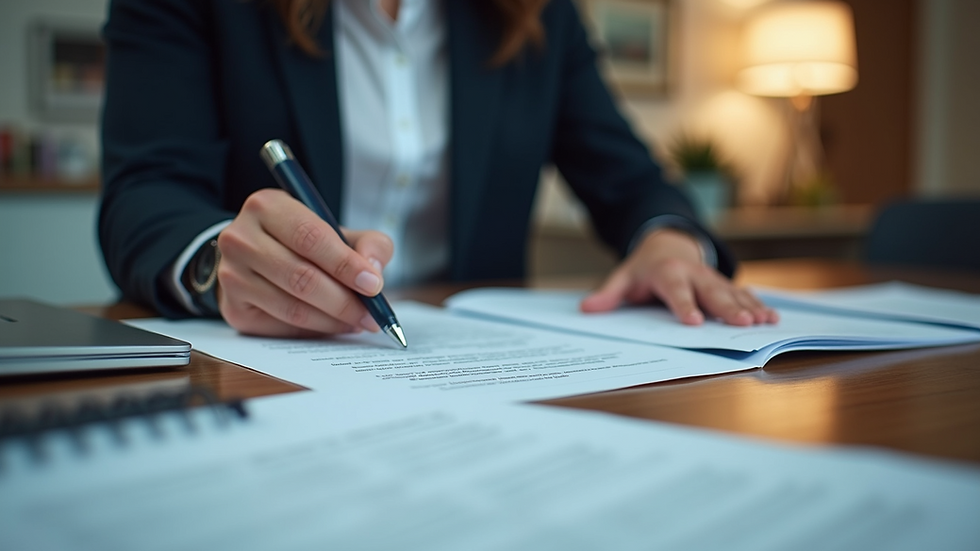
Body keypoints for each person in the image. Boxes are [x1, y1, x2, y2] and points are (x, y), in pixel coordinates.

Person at [99, 0, 777, 339]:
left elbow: (631, 177)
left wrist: (667, 238)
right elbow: (144, 190)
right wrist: (217, 261)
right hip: (262, 368)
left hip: (480, 368)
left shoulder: (539, 15)